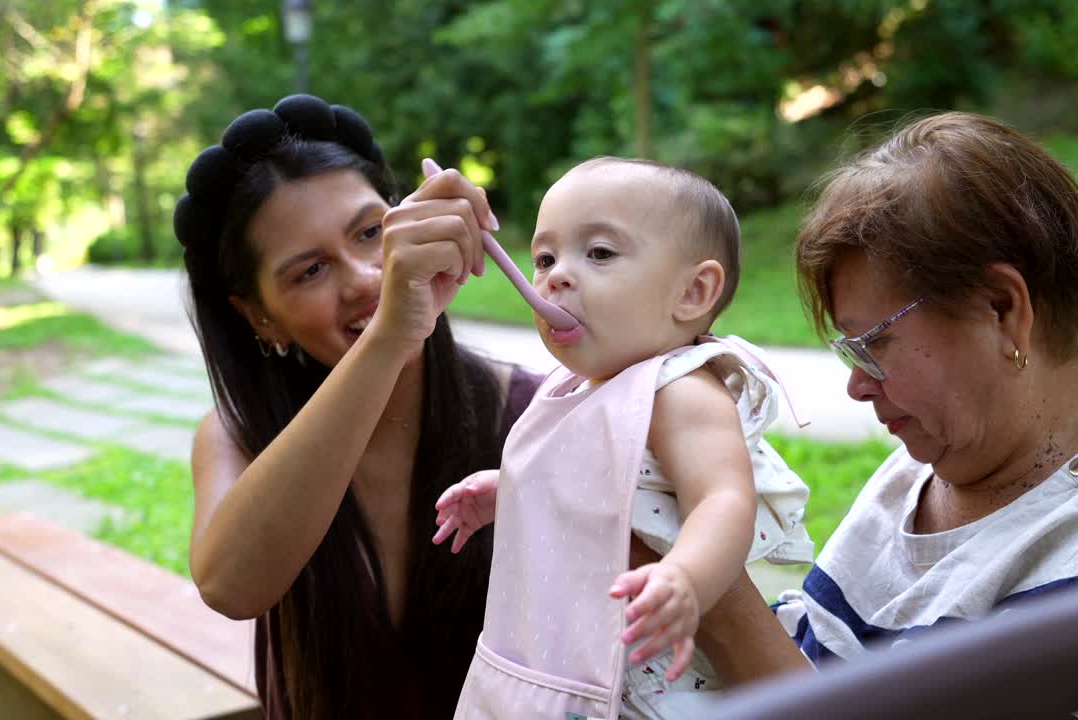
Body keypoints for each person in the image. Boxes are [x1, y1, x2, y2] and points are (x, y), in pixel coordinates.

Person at [694, 111, 1078, 717]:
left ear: (1001, 307)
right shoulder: (929, 470)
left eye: (873, 343)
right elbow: (824, 654)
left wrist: (712, 599)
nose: (857, 385)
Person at [173, 93, 542, 719]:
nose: (367, 278)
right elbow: (230, 586)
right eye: (309, 271)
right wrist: (389, 338)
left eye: (372, 233)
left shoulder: (531, 412)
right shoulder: (239, 434)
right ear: (258, 315)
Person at [432, 157, 814, 719]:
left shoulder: (678, 388)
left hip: (657, 685)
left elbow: (723, 498)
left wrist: (685, 577)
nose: (557, 275)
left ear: (693, 291)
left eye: (600, 253)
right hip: (571, 668)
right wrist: (511, 490)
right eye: (544, 257)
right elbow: (599, 477)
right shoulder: (582, 386)